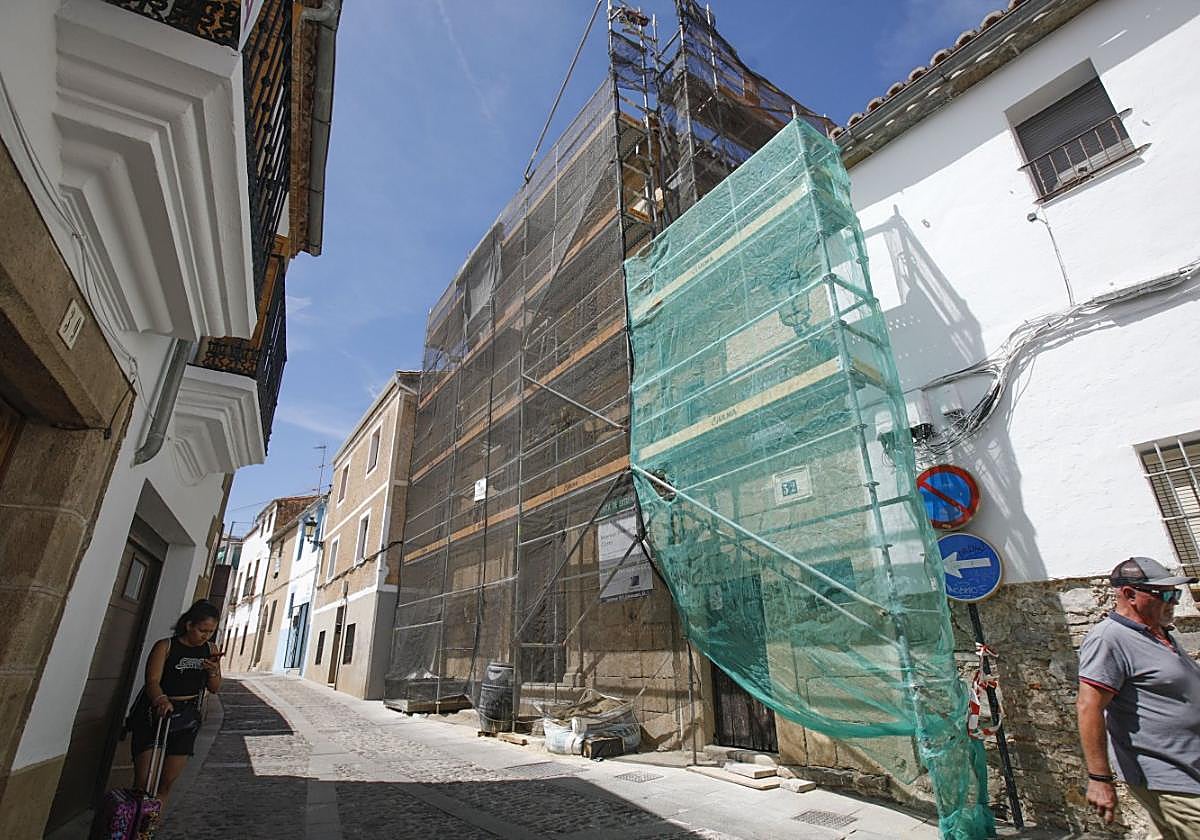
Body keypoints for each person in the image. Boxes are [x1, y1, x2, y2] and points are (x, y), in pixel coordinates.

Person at [1076, 557, 1200, 839]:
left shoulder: (1159, 633)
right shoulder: (1109, 639)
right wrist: (1099, 779)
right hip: (1167, 774)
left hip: (1189, 768)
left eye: (1176, 593)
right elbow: (1088, 707)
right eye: (1165, 594)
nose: (1174, 602)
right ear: (1130, 595)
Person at [127, 600, 223, 810]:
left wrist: (213, 670)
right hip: (156, 713)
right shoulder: (166, 646)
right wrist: (161, 700)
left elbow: (215, 687)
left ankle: (149, 830)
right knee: (143, 782)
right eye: (202, 630)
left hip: (186, 717)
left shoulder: (211, 650)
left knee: (166, 783)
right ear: (189, 625)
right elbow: (152, 681)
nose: (205, 636)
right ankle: (130, 825)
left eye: (210, 631)